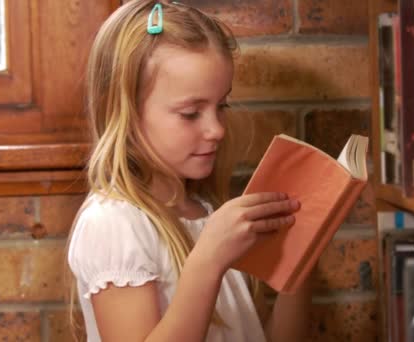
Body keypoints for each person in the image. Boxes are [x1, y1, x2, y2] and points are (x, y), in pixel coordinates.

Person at [67, 1, 312, 341]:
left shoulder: (206, 212)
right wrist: (208, 262)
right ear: (124, 111)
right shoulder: (114, 225)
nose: (217, 129)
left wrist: (298, 268)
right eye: (190, 113)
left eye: (221, 105)